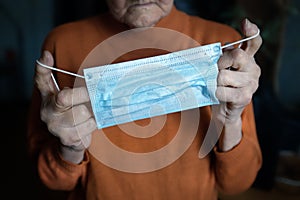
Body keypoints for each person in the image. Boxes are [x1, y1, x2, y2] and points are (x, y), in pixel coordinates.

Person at [27, 0, 263, 199]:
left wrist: (229, 120)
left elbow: (236, 184)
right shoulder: (63, 43)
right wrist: (70, 147)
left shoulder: (223, 44)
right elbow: (55, 181)